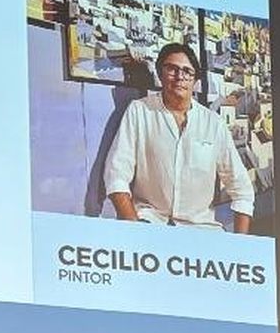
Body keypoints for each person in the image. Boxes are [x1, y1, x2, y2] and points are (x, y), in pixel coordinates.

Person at [103, 42, 255, 231]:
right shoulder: (139, 111)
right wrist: (133, 229)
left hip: (201, 231)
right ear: (160, 73)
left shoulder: (214, 124)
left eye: (187, 71)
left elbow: (242, 190)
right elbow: (116, 174)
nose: (179, 77)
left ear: (195, 80)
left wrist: (242, 245)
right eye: (172, 69)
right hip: (149, 224)